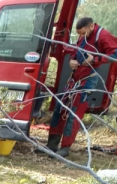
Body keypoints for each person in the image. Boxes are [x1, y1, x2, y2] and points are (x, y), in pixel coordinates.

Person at [45, 17, 117, 158]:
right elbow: (76, 50)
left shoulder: (103, 35)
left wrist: (95, 59)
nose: (81, 36)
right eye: (79, 34)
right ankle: (51, 145)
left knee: (74, 113)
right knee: (60, 108)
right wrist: (72, 59)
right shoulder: (83, 35)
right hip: (74, 78)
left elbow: (115, 54)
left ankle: (65, 148)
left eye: (83, 33)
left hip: (87, 80)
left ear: (91, 27)